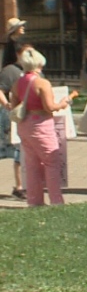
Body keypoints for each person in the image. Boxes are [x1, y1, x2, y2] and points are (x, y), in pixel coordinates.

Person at [7, 48, 71, 206]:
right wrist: (63, 103)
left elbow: (14, 105)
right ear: (39, 65)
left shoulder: (17, 83)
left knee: (32, 164)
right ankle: (56, 200)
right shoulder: (42, 83)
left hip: (24, 125)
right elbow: (49, 107)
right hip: (41, 125)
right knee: (51, 163)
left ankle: (34, 201)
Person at [0, 42, 30, 199]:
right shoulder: (10, 71)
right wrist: (7, 105)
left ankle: (30, 184)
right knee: (18, 150)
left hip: (32, 117)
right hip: (15, 116)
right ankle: (19, 186)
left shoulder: (35, 72)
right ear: (18, 54)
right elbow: (1, 90)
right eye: (26, 53)